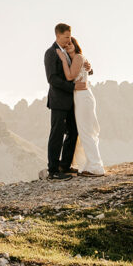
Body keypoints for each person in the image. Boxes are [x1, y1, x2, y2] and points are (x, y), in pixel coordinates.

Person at [44, 23, 88, 180]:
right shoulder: (51, 53)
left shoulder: (67, 52)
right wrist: (72, 87)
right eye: (66, 37)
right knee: (56, 135)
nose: (69, 40)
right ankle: (53, 171)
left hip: (72, 101)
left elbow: (76, 70)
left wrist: (88, 68)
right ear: (57, 35)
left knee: (73, 131)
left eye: (70, 37)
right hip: (58, 101)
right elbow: (52, 79)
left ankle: (65, 165)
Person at [57, 37, 105, 176]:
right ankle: (90, 165)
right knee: (85, 132)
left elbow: (70, 76)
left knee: (86, 132)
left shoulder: (78, 57)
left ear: (76, 44)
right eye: (66, 45)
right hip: (80, 98)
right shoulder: (75, 60)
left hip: (83, 97)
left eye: (70, 43)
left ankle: (96, 167)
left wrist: (63, 60)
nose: (68, 46)